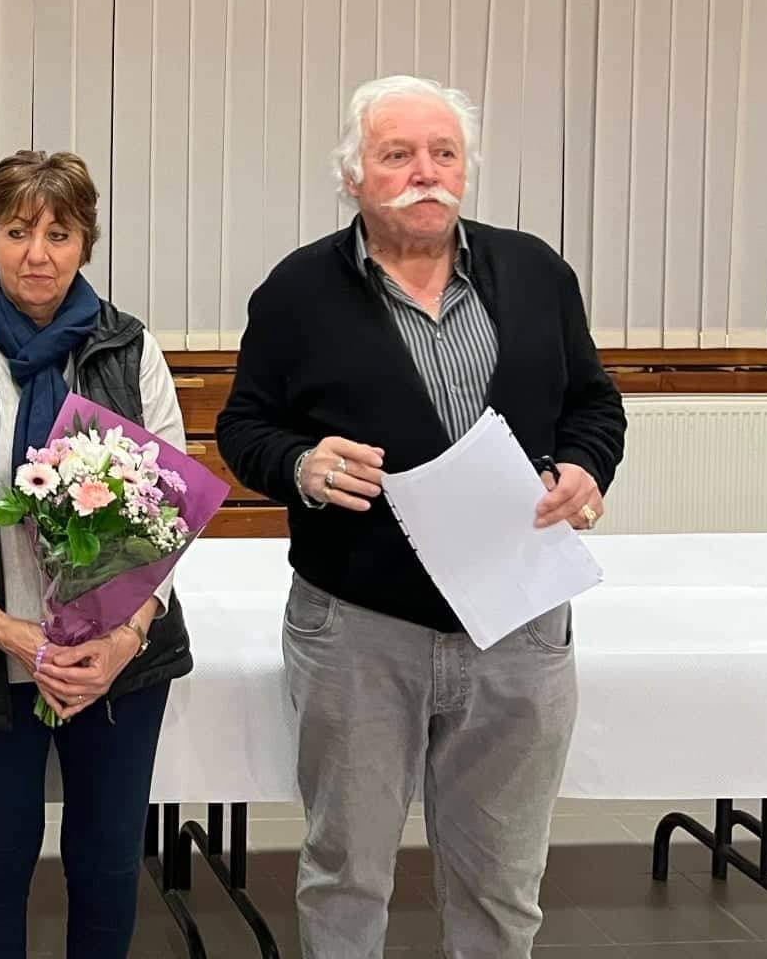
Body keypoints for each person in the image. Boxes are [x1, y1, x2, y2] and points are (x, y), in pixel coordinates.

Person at [217, 74, 626, 959]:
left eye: (444, 153)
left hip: (518, 619)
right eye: (397, 155)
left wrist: (586, 466)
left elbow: (594, 404)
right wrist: (301, 465)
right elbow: (244, 428)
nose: (424, 173)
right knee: (347, 874)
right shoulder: (297, 291)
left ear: (467, 168)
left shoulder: (538, 273)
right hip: (359, 627)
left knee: (501, 883)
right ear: (353, 175)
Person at [0, 149, 193, 959]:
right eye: (18, 231)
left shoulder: (129, 350)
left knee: (108, 862)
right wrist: (1, 627)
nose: (37, 255)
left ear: (85, 243)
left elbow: (171, 507)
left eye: (59, 234)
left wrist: (124, 635)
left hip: (114, 661)